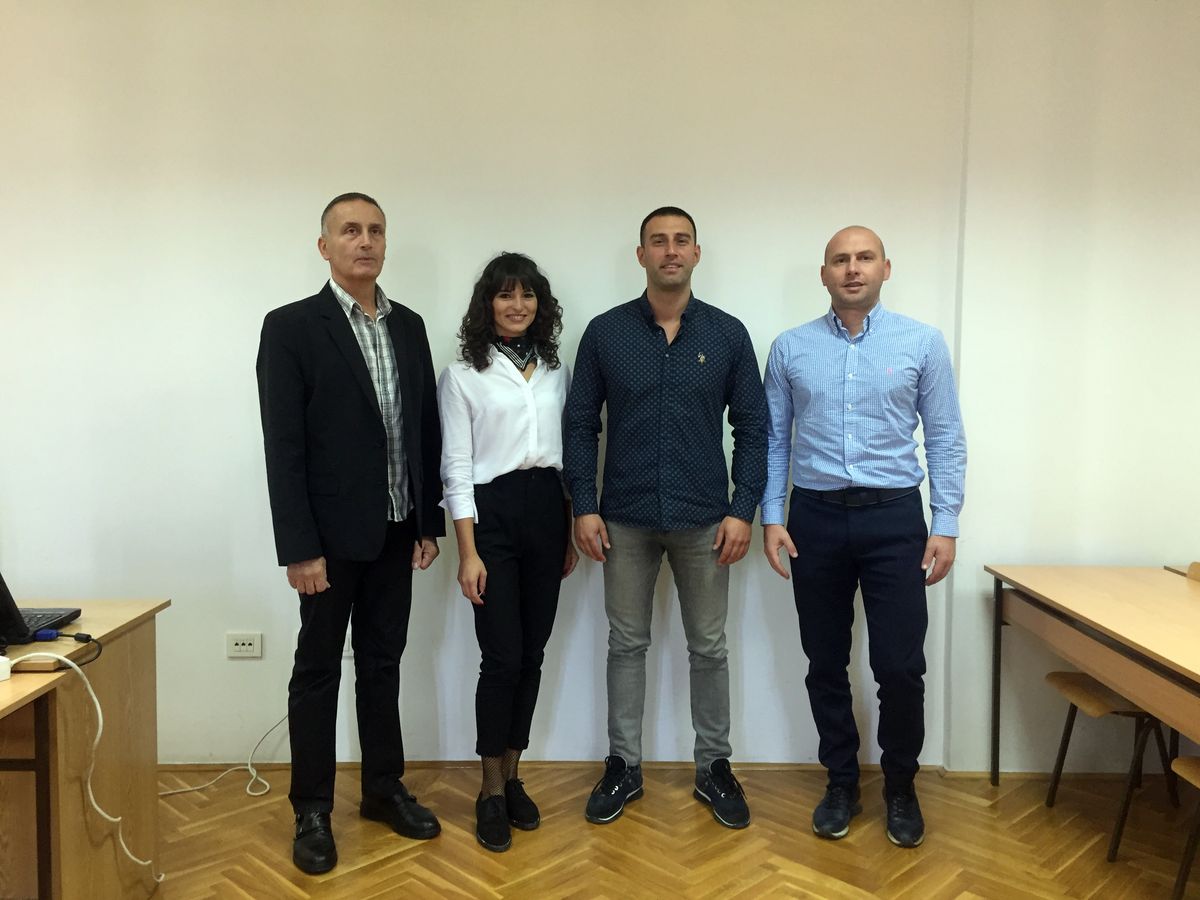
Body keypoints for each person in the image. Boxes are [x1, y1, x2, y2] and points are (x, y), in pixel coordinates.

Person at [256, 192, 445, 875]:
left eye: (375, 231)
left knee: (382, 662)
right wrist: (299, 547)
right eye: (350, 231)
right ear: (325, 246)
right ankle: (311, 807)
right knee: (317, 670)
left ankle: (382, 789)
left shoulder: (409, 326)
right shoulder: (291, 327)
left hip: (397, 529)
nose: (364, 241)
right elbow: (284, 446)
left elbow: (424, 429)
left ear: (385, 244)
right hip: (328, 543)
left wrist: (427, 522)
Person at [761, 225, 967, 849]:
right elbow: (773, 439)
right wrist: (773, 515)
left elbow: (945, 436)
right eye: (840, 259)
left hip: (894, 520)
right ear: (824, 273)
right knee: (825, 661)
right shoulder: (790, 348)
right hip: (815, 520)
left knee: (900, 667)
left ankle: (901, 786)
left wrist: (946, 523)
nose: (853, 268)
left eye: (865, 258)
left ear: (885, 268)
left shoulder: (922, 343)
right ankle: (841, 782)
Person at [564, 206, 768, 830]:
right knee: (626, 644)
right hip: (623, 519)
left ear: (696, 254)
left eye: (682, 241)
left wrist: (743, 509)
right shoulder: (605, 333)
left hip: (706, 519)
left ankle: (714, 766)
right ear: (642, 255)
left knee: (709, 647)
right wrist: (584, 504)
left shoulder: (727, 334)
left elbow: (753, 427)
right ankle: (623, 766)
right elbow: (580, 424)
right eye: (659, 241)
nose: (671, 250)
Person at [437, 252, 578, 853]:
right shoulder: (462, 375)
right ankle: (489, 789)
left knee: (533, 654)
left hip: (546, 511)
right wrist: (468, 553)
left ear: (540, 304)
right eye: (504, 295)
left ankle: (514, 776)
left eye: (527, 295)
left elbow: (568, 457)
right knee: (501, 658)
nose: (517, 305)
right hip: (491, 517)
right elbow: (457, 467)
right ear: (487, 305)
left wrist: (567, 530)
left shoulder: (555, 370)